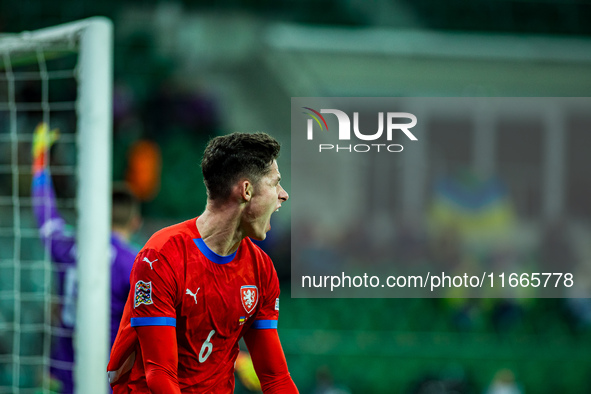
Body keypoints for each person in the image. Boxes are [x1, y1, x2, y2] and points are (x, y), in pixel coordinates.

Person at [107, 132, 298, 393]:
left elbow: (276, 379)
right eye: (275, 183)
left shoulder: (261, 269)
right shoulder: (161, 256)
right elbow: (159, 373)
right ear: (246, 190)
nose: (283, 195)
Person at [31, 123, 141, 393]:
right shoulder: (134, 264)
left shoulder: (68, 245)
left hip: (62, 370)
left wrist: (39, 164)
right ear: (135, 222)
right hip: (108, 378)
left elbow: (45, 214)